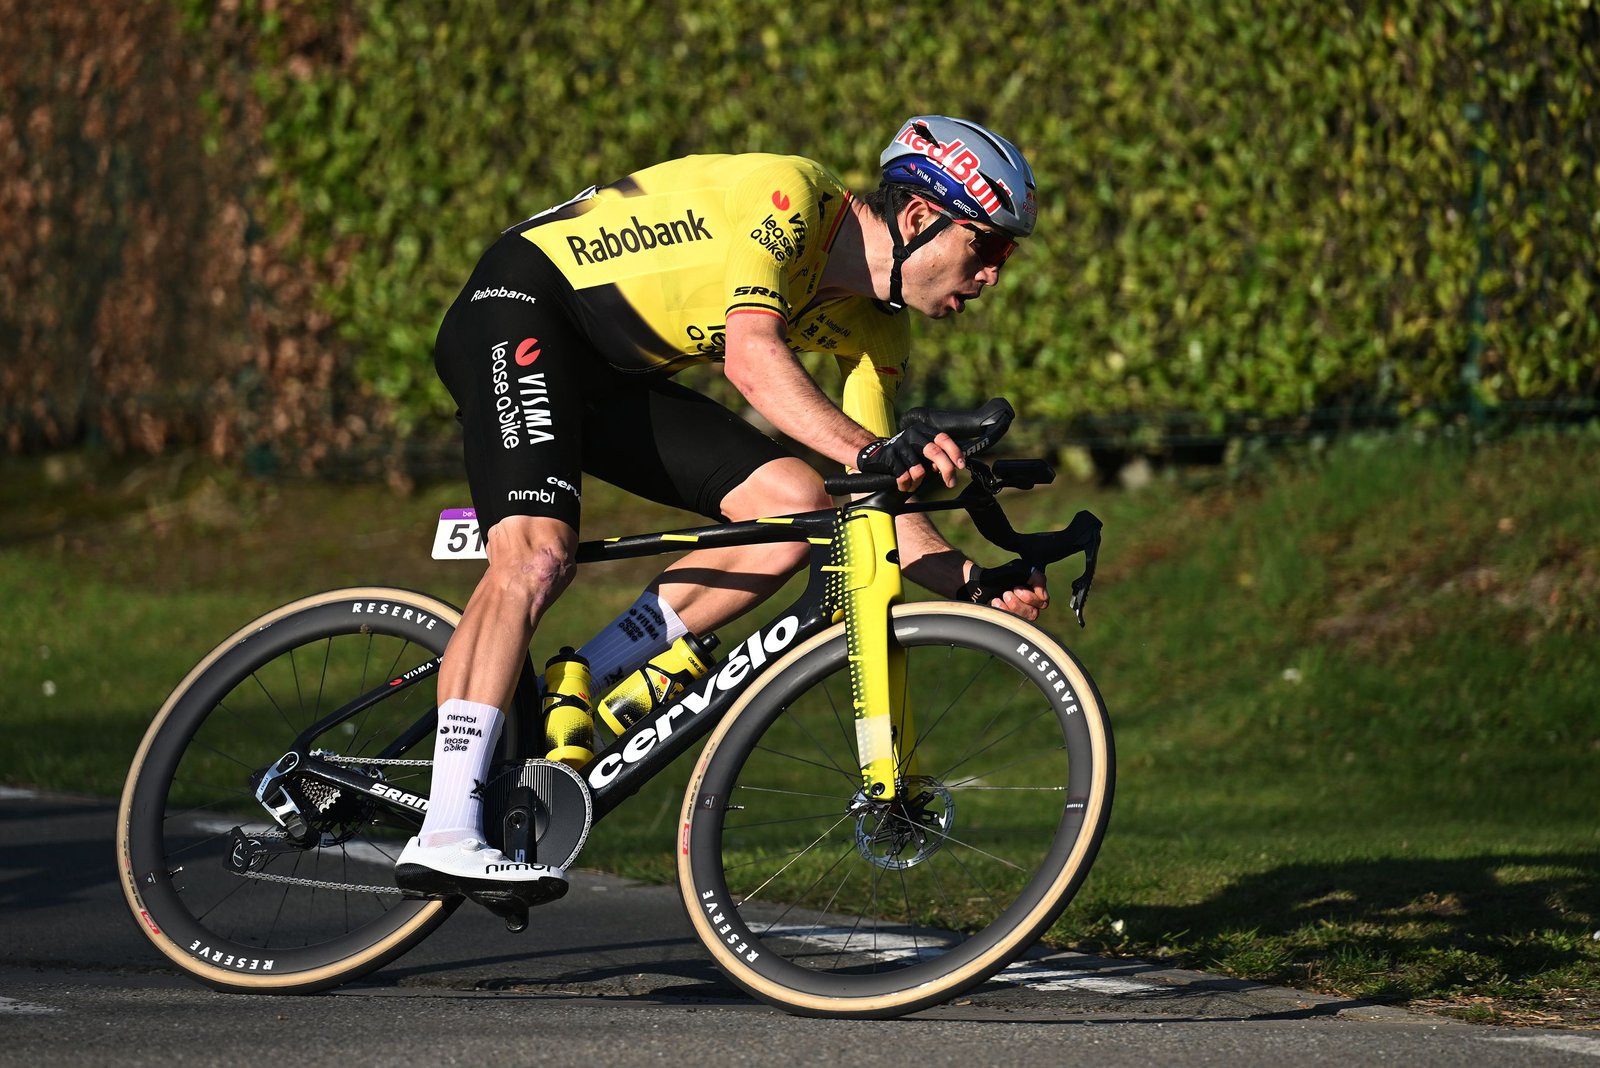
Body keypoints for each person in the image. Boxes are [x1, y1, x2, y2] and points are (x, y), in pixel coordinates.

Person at [395, 116, 1052, 905]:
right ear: (918, 219)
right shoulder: (793, 196)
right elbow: (751, 355)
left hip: (608, 373)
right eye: (988, 247)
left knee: (794, 508)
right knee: (535, 555)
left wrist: (972, 581)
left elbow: (871, 490)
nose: (990, 277)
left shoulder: (877, 326)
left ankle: (584, 688)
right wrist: (875, 451)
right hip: (522, 304)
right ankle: (444, 830)